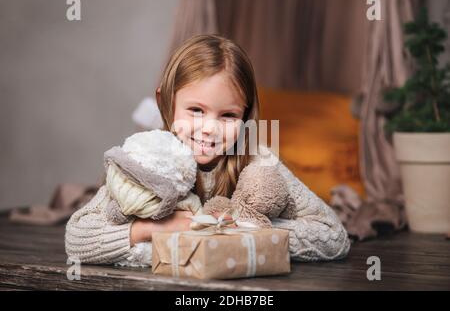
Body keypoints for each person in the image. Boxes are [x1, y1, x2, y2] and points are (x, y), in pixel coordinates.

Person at [65, 34, 350, 267]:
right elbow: (77, 240)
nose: (209, 128)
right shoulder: (150, 160)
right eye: (196, 111)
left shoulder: (257, 163)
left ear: (245, 115)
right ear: (166, 103)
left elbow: (334, 236)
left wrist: (242, 229)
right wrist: (151, 229)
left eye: (228, 115)